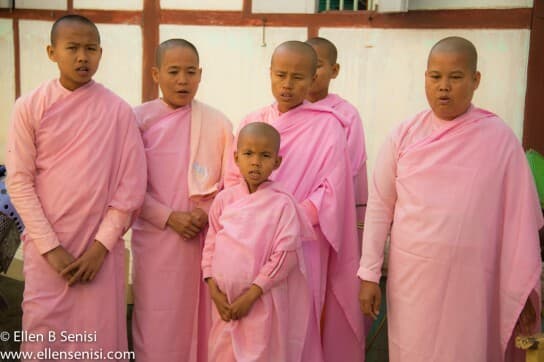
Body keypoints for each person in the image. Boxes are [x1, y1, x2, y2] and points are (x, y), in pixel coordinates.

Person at [358, 36, 543, 362]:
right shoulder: (403, 135)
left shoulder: (499, 139)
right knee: (412, 349)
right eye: (435, 77)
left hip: (473, 281)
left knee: (467, 350)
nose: (444, 87)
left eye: (455, 78)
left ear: (475, 81)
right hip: (412, 277)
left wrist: (524, 287)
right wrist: (370, 274)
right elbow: (379, 207)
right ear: (425, 78)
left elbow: (521, 218)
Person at [5, 14, 146, 359]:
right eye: (73, 48)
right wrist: (51, 248)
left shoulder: (118, 111)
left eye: (91, 49)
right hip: (46, 250)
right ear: (52, 52)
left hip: (100, 252)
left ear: (101, 53)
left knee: (98, 341)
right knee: (43, 338)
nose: (83, 57)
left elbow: (131, 187)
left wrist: (100, 247)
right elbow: (19, 181)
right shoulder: (29, 107)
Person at [225, 41, 365, 362]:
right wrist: (257, 218)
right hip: (250, 239)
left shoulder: (329, 125)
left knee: (295, 326)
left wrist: (286, 219)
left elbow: (332, 191)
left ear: (313, 78)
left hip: (303, 243)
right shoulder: (252, 120)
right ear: (270, 74)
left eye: (298, 77)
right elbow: (232, 180)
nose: (288, 85)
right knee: (249, 321)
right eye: (281, 75)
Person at [131, 38, 233, 362]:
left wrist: (204, 212)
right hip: (156, 237)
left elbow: (231, 180)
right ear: (155, 73)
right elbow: (127, 185)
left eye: (190, 72)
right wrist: (168, 217)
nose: (182, 80)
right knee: (157, 319)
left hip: (204, 239)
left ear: (200, 74)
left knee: (204, 318)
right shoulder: (137, 120)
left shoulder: (218, 123)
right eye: (173, 71)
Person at [202, 122, 312, 362]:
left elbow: (285, 255)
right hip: (224, 302)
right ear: (236, 158)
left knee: (261, 354)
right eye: (248, 154)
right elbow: (210, 245)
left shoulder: (282, 204)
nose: (255, 161)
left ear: (277, 162)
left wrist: (252, 294)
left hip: (261, 300)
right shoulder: (224, 200)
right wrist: (212, 287)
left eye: (265, 155)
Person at [305, 37, 368, 237]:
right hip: (288, 205)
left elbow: (351, 166)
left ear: (335, 70)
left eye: (317, 66)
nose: (311, 73)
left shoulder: (346, 114)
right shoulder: (285, 111)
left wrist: (316, 202)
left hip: (328, 205)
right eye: (306, 67)